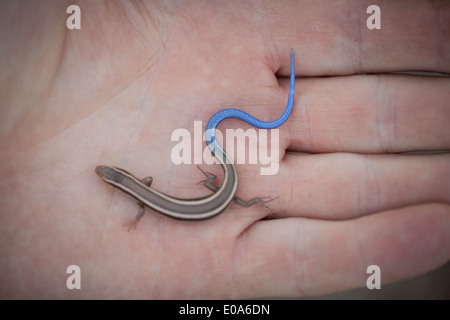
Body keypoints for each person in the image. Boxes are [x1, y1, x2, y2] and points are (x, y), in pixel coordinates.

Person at [0, 0, 449, 299]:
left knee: (239, 197)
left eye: (110, 174)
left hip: (225, 193)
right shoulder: (141, 187)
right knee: (235, 194)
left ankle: (246, 192)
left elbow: (142, 203)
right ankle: (242, 189)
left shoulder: (138, 196)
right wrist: (219, 188)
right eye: (108, 174)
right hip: (222, 193)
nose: (109, 175)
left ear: (123, 178)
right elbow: (146, 192)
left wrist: (223, 197)